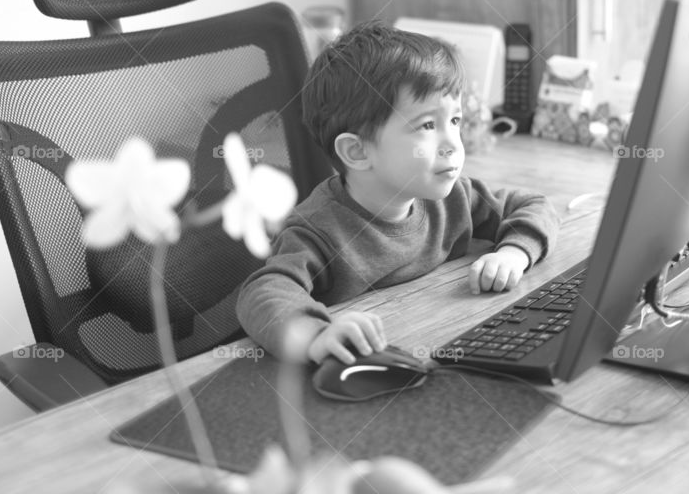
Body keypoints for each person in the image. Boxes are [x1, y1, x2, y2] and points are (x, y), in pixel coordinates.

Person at [236, 21, 559, 364]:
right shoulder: (317, 231)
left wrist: (514, 254)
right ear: (358, 152)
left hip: (441, 340)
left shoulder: (453, 198)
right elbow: (263, 291)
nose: (453, 144)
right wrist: (316, 335)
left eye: (454, 121)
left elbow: (534, 205)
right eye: (427, 126)